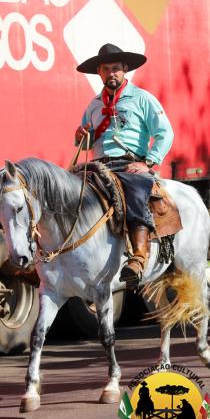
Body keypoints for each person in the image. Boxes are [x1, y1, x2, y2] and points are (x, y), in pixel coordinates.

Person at [74, 43, 173, 289]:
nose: (111, 73)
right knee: (67, 191)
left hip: (129, 164)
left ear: (125, 69)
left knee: (136, 192)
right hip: (98, 166)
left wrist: (147, 162)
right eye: (106, 69)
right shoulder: (93, 105)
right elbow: (87, 142)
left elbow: (165, 133)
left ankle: (138, 257)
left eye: (116, 68)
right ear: (99, 73)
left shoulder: (142, 98)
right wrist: (81, 136)